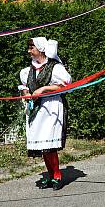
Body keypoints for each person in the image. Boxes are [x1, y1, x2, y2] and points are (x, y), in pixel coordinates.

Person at [19, 37, 71, 190]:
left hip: (52, 107)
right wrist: (26, 93)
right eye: (29, 48)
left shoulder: (55, 67)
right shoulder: (27, 71)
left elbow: (64, 86)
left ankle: (57, 176)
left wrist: (43, 89)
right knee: (42, 144)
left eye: (31, 47)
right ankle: (49, 175)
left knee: (50, 144)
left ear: (41, 49)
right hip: (36, 109)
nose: (29, 51)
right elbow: (24, 87)